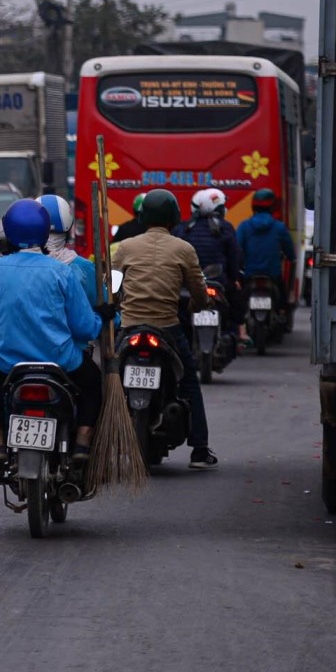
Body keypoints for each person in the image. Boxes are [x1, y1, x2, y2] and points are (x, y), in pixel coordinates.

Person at [0, 199, 105, 483]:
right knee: (92, 385)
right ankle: (82, 444)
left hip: (6, 363)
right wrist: (102, 319)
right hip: (61, 362)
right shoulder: (62, 272)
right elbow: (85, 328)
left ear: (8, 233)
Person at [112, 187, 219, 469]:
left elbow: (110, 288)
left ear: (143, 216)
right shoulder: (184, 249)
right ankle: (199, 450)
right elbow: (198, 292)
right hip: (167, 329)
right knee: (189, 383)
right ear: (174, 217)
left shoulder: (126, 247)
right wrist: (200, 305)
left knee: (108, 380)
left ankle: (91, 443)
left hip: (129, 328)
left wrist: (114, 305)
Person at [176, 187, 243, 344]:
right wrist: (234, 278)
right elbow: (234, 257)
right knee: (236, 305)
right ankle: (234, 334)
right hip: (218, 283)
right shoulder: (225, 228)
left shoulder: (182, 229)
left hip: (187, 286)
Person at [237, 187, 295, 296]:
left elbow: (236, 249)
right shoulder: (279, 227)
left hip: (250, 274)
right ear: (272, 207)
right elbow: (290, 252)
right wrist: (291, 257)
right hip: (273, 274)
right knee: (282, 299)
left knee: (240, 304)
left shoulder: (244, 227)